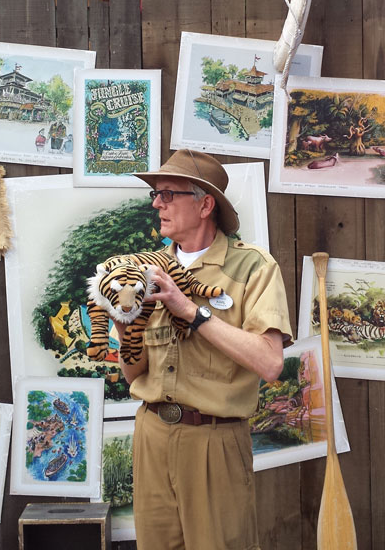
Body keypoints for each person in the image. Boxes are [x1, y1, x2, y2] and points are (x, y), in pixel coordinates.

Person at [117, 149, 292, 550]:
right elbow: (134, 375)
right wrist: (123, 326)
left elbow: (269, 363)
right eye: (155, 195)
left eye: (168, 194)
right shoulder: (147, 270)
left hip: (214, 442)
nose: (157, 203)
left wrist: (189, 310)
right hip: (152, 435)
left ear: (205, 204)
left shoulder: (253, 268)